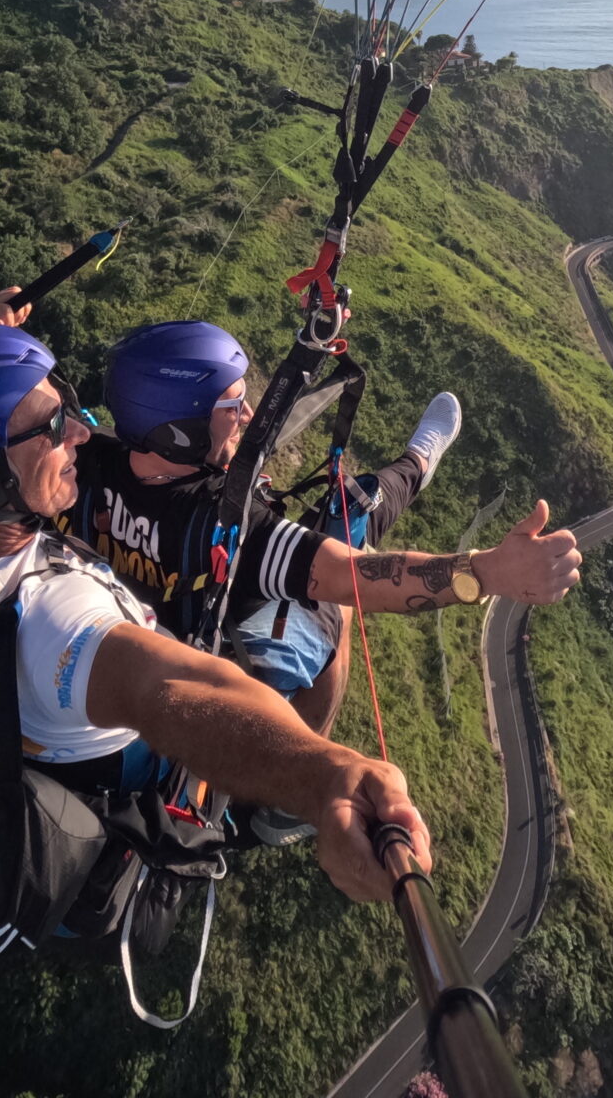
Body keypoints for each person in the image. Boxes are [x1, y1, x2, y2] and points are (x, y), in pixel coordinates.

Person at [0, 308, 429, 906]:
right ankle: (274, 815)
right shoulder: (59, 621)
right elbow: (177, 697)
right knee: (333, 617)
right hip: (134, 773)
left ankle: (417, 463)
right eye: (51, 428)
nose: (78, 433)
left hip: (4, 738)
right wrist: (324, 777)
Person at [74, 320, 581, 840]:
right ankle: (291, 796)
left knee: (347, 519)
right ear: (178, 430)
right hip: (193, 691)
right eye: (232, 406)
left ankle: (416, 463)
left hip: (119, 664)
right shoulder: (221, 528)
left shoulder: (76, 463)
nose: (247, 415)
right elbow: (355, 577)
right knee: (337, 582)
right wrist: (486, 572)